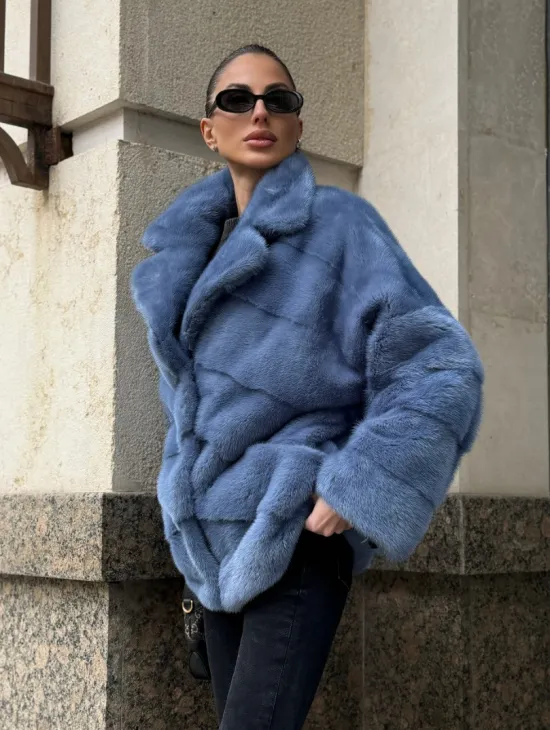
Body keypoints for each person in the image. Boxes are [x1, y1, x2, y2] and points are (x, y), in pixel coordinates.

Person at [132, 44, 483, 730]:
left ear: (297, 125)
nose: (259, 112)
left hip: (293, 533)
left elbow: (441, 366)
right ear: (209, 129)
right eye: (238, 100)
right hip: (211, 554)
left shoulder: (341, 226)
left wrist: (356, 484)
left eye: (279, 100)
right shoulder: (191, 255)